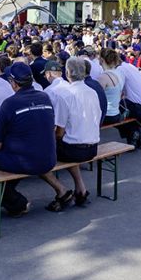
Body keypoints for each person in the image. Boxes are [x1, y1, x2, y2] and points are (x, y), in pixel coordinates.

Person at [0, 62, 56, 218]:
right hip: (49, 158)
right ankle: (1, 199)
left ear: (13, 83)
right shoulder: (45, 97)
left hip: (27, 161)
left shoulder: (10, 103)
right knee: (8, 158)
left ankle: (16, 202)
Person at [40, 58, 101, 210]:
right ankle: (81, 189)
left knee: (38, 156)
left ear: (67, 73)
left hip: (75, 149)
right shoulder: (92, 92)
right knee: (70, 142)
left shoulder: (65, 95)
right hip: (93, 147)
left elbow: (59, 132)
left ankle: (62, 191)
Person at [116, 49, 141, 145]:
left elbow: (118, 91)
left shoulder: (120, 69)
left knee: (114, 111)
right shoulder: (130, 66)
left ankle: (134, 131)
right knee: (122, 107)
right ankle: (135, 132)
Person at [98, 48, 125, 125]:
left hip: (107, 115)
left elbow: (96, 97)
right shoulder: (119, 73)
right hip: (116, 113)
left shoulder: (103, 77)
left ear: (102, 60)